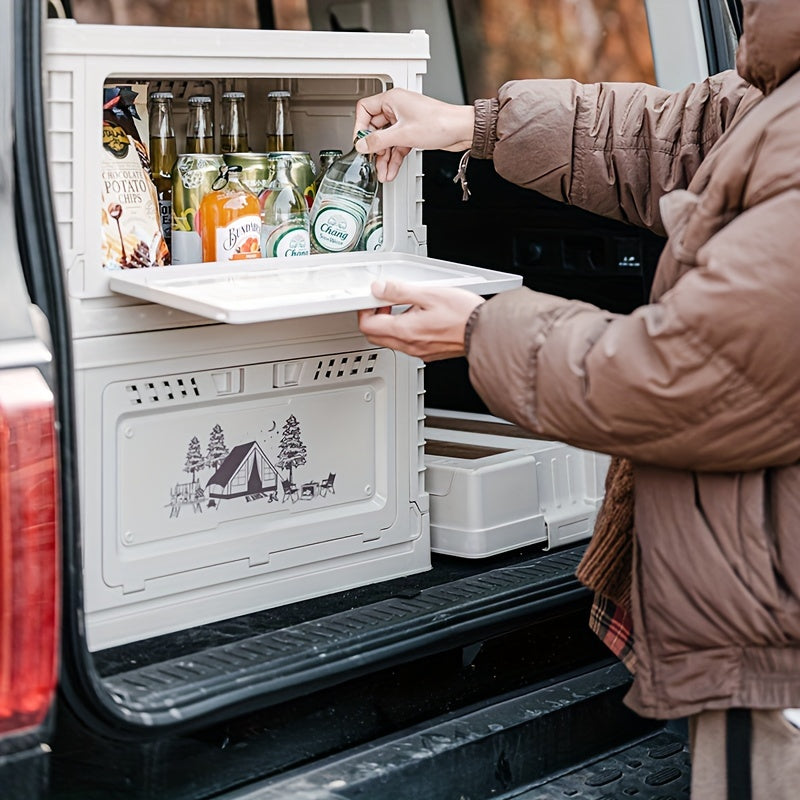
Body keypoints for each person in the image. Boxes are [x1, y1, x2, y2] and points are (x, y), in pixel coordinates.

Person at [354, 1, 800, 798]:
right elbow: (676, 135)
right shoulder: (783, 96)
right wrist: (470, 125)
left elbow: (694, 378)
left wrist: (483, 331)